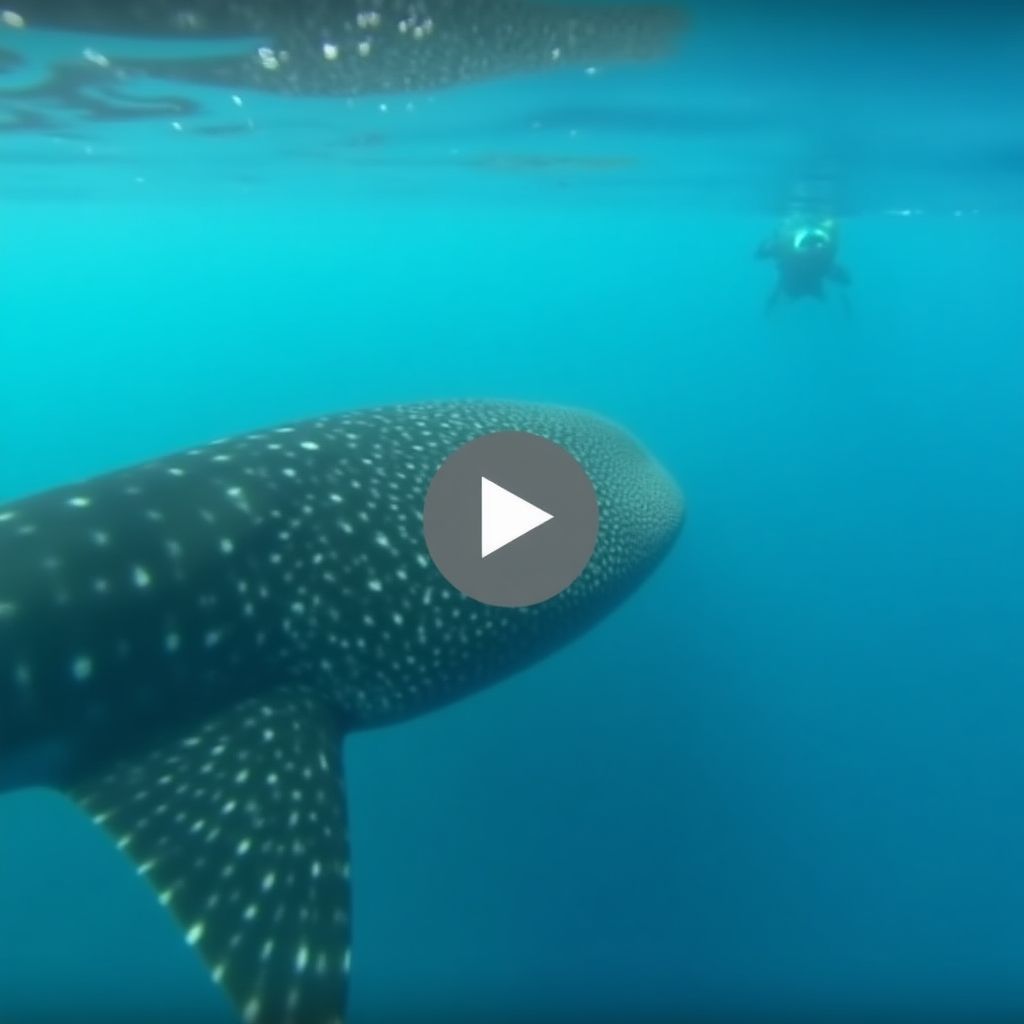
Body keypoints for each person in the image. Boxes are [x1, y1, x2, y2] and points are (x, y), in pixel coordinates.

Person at [756, 213, 851, 312]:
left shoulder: (784, 246)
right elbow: (760, 254)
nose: (812, 248)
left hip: (803, 283)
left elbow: (760, 254)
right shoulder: (784, 246)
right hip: (796, 283)